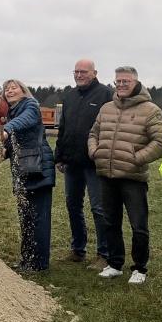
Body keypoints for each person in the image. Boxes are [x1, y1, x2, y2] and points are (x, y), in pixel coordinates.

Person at [87, 66, 162, 285]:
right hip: (106, 174)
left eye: (126, 82)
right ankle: (114, 264)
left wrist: (137, 158)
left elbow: (159, 141)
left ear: (136, 83)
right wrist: (94, 151)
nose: (121, 85)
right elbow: (93, 133)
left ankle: (140, 267)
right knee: (110, 222)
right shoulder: (106, 108)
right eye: (118, 82)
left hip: (133, 178)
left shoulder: (151, 110)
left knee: (138, 225)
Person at [54, 59, 113, 269]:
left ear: (94, 73)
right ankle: (78, 249)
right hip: (72, 162)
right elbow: (63, 127)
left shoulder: (106, 95)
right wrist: (59, 156)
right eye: (76, 71)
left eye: (83, 72)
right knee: (73, 205)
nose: (79, 75)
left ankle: (104, 254)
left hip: (94, 162)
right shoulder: (69, 96)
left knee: (98, 208)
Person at [0, 79, 55, 272]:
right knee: (26, 217)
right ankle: (27, 259)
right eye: (7, 89)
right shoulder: (9, 113)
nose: (10, 91)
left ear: (24, 91)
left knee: (39, 217)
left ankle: (39, 263)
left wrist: (6, 129)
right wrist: (4, 150)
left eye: (14, 87)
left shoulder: (31, 105)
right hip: (23, 169)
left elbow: (24, 122)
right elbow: (14, 141)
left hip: (38, 168)